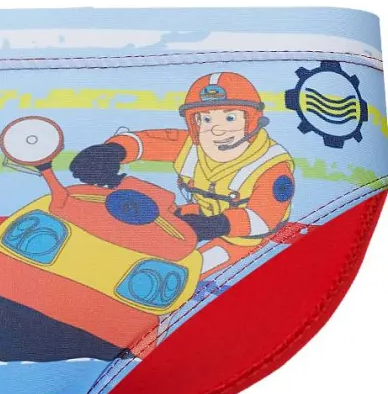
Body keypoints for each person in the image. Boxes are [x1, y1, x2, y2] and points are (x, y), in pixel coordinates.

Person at [70, 72, 295, 278]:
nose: (217, 129)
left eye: (230, 118)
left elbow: (263, 218)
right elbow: (149, 141)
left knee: (180, 274)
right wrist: (113, 151)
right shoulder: (192, 146)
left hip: (241, 237)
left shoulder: (271, 166)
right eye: (206, 119)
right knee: (134, 228)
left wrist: (216, 225)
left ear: (252, 119)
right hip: (197, 216)